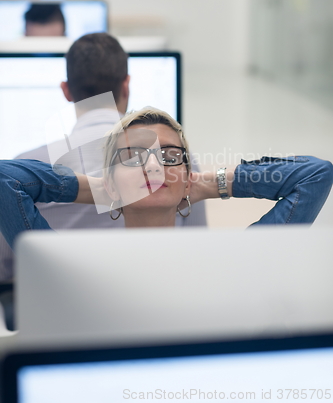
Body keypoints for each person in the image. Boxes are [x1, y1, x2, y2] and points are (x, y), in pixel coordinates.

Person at [0, 34, 207, 281]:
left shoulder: (26, 171)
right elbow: (197, 248)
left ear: (66, 90)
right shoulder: (175, 163)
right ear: (127, 85)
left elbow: (6, 267)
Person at [0, 107, 332, 250]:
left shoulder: (230, 259)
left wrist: (203, 183)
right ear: (110, 183)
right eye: (133, 158)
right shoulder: (69, 266)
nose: (154, 168)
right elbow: (5, 180)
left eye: (170, 157)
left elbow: (315, 175)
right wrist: (103, 189)